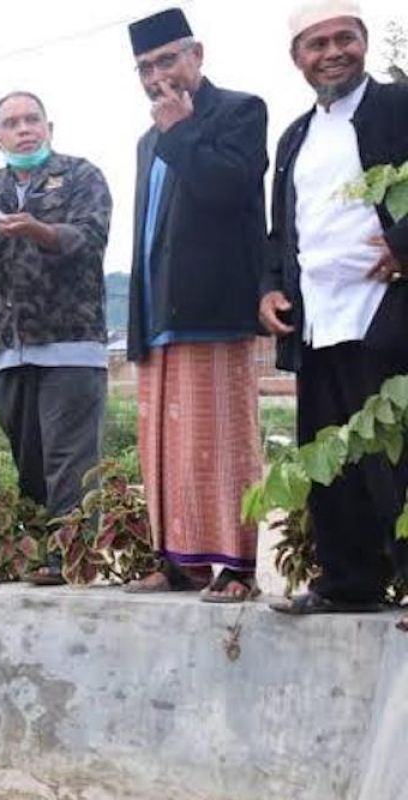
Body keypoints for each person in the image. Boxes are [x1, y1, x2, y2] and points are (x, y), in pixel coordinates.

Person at [261, 1, 408, 614]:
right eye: (316, 45)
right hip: (318, 318)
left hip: (386, 312)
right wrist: (269, 287)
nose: (332, 53)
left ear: (364, 42)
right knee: (332, 462)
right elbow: (280, 229)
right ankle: (350, 584)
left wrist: (404, 243)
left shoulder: (400, 106)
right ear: (298, 60)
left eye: (342, 39)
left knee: (397, 457)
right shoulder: (296, 135)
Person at [122, 8, 268, 601]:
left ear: (196, 55)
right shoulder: (145, 139)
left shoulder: (239, 110)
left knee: (221, 442)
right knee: (165, 448)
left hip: (214, 308)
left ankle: (238, 566)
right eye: (145, 67)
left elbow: (230, 189)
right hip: (160, 313)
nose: (157, 75)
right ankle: (181, 562)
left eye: (166, 60)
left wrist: (181, 132)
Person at [0, 91, 112, 585]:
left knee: (70, 458)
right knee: (30, 460)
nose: (24, 129)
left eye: (32, 120)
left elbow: (89, 239)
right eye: (12, 122)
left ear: (49, 126)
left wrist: (39, 230)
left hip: (70, 342)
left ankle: (72, 557)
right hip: (7, 347)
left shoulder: (82, 175)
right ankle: (41, 549)